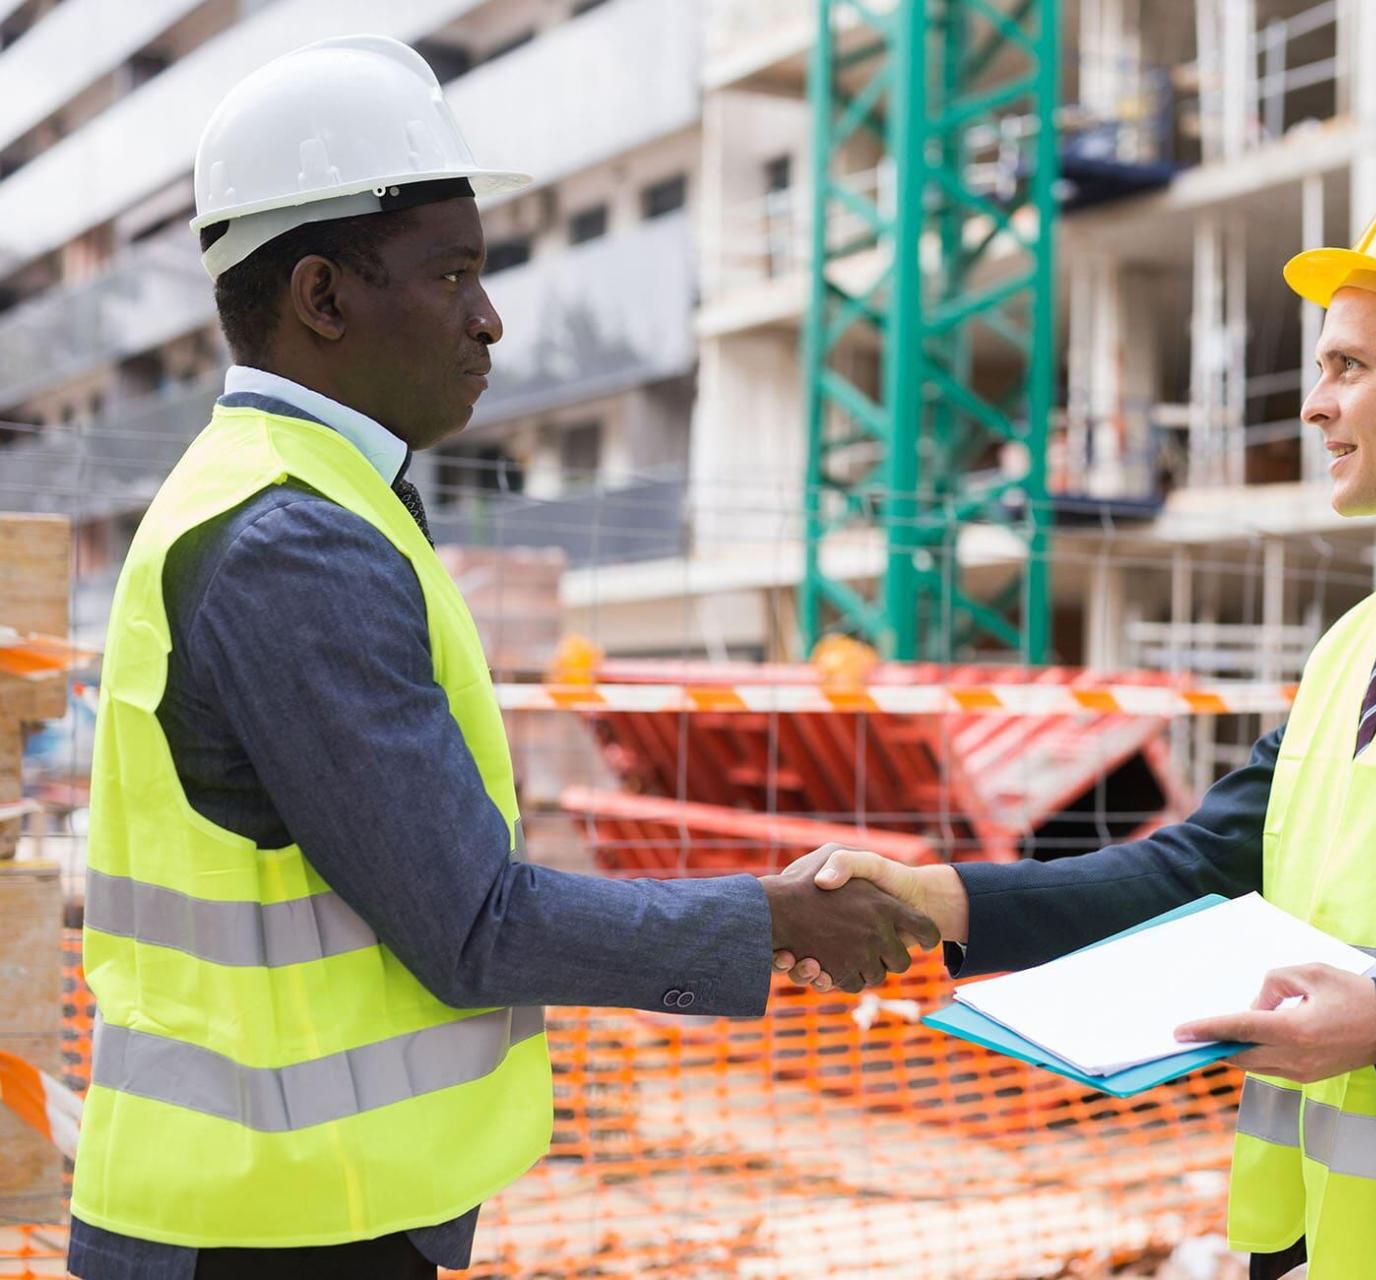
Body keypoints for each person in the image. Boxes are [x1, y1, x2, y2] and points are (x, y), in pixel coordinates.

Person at [787, 168, 1376, 1278]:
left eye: (1348, 366)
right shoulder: (1360, 638)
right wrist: (936, 899)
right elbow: (1199, 865)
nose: (1314, 405)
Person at [68, 36, 933, 1280]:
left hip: (291, 1205)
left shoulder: (298, 497)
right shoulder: (290, 537)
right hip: (268, 1226)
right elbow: (470, 921)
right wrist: (768, 917)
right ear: (322, 297)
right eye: (454, 273)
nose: (490, 317)